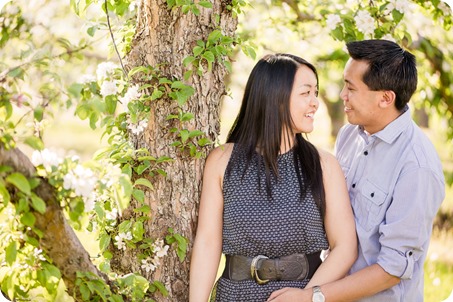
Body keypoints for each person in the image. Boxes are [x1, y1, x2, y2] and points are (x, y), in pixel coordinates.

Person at [267, 40, 446, 301]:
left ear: (386, 98)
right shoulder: (350, 134)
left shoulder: (417, 167)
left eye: (351, 88)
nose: (342, 95)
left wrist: (310, 297)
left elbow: (391, 270)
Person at [189, 53, 357, 302]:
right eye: (305, 93)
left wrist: (306, 296)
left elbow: (345, 247)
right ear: (276, 97)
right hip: (235, 296)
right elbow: (207, 243)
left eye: (315, 92)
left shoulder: (324, 166)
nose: (315, 103)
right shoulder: (222, 161)